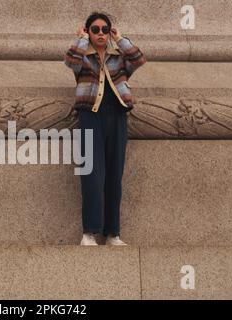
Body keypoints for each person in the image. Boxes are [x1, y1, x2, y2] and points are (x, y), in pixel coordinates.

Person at [63, 11, 146, 245]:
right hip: (91, 116)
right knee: (92, 175)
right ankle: (89, 233)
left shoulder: (118, 58)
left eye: (105, 30)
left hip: (117, 115)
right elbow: (69, 61)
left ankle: (112, 234)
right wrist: (80, 39)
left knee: (113, 176)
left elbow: (138, 59)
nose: (100, 34)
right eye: (95, 29)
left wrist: (120, 39)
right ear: (88, 32)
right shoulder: (83, 59)